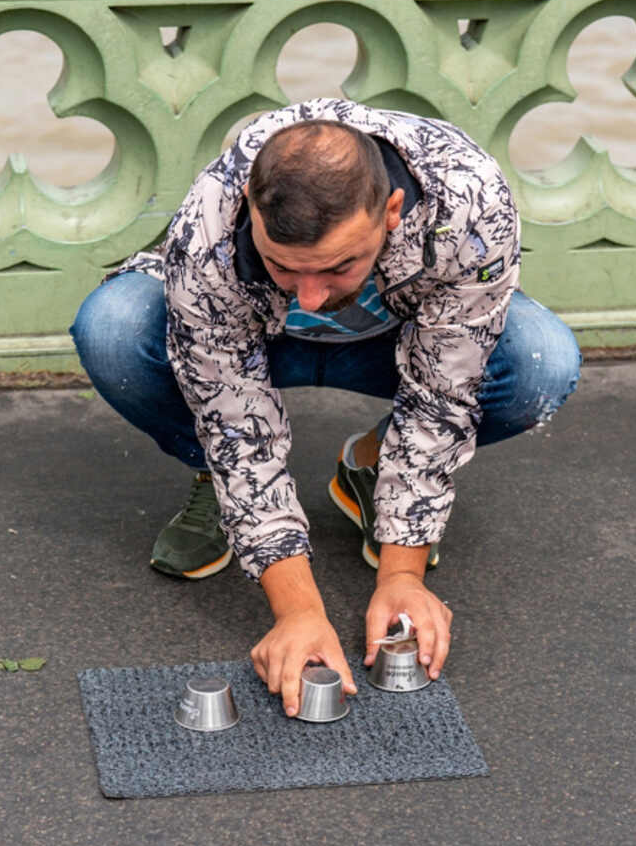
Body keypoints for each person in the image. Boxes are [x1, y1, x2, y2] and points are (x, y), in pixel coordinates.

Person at [70, 98, 580, 717]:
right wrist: (299, 614)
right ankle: (216, 483)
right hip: (247, 337)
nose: (310, 295)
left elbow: (445, 387)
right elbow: (235, 415)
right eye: (284, 266)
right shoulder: (210, 217)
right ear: (252, 212)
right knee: (114, 329)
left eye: (339, 265)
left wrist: (401, 578)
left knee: (540, 362)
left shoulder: (469, 197)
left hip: (395, 336)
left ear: (392, 212)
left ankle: (370, 466)